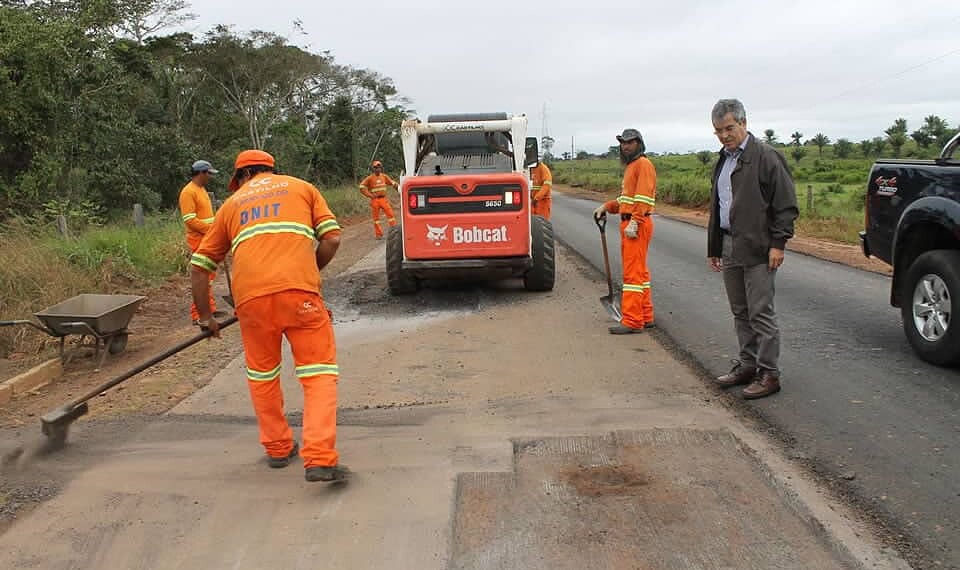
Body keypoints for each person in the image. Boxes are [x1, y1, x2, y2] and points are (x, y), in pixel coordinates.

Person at [190, 149, 350, 482]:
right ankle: (319, 457)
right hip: (301, 297)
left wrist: (207, 317)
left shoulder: (231, 205)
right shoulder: (302, 187)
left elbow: (200, 265)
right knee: (318, 373)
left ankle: (278, 448)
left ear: (241, 177)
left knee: (263, 375)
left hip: (251, 302)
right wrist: (308, 273)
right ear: (271, 169)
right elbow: (332, 238)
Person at [707, 98, 799, 400]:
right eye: (718, 130)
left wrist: (778, 243)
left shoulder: (767, 157)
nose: (724, 135)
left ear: (744, 123)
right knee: (740, 311)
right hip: (730, 243)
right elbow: (718, 206)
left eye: (729, 128)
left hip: (759, 246)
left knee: (760, 312)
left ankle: (769, 372)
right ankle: (747, 365)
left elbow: (785, 205)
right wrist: (715, 246)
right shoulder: (723, 159)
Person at [593, 128, 657, 334]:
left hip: (636, 225)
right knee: (640, 272)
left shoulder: (643, 164)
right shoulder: (632, 166)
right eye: (622, 142)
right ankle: (645, 315)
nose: (625, 146)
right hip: (630, 222)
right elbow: (626, 199)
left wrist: (635, 222)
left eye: (629, 142)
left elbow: (644, 198)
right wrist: (608, 206)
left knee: (632, 275)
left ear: (639, 143)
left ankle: (632, 320)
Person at [179, 160, 223, 324]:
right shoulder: (188, 192)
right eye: (209, 174)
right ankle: (198, 315)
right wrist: (211, 231)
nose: (210, 177)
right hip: (198, 239)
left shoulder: (201, 190)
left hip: (207, 237)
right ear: (201, 173)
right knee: (202, 275)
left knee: (209, 275)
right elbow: (190, 220)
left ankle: (209, 309)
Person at [358, 160, 398, 239]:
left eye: (379, 167)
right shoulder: (370, 178)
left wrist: (399, 188)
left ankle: (394, 231)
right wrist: (369, 195)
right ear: (373, 169)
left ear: (381, 168)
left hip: (383, 199)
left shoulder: (384, 176)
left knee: (391, 215)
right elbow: (361, 187)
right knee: (376, 219)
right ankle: (378, 234)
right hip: (375, 200)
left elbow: (392, 183)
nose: (377, 169)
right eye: (376, 167)